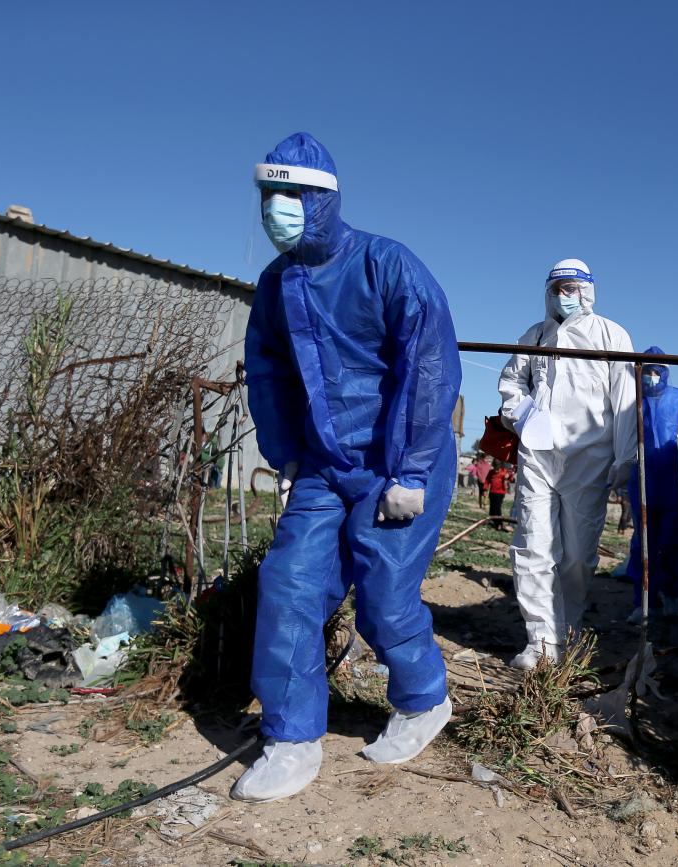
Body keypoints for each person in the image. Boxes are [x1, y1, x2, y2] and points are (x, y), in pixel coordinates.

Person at [235, 132, 461, 802]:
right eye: (267, 196)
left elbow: (428, 367)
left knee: (385, 595)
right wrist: (287, 456)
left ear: (323, 200)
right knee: (289, 582)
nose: (276, 209)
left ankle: (423, 698)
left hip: (397, 460)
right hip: (323, 464)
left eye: (291, 196)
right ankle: (292, 739)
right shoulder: (276, 286)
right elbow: (269, 374)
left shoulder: (387, 266)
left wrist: (413, 470)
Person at [498, 259, 635, 669]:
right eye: (557, 287)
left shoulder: (611, 335)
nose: (564, 295)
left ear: (588, 291)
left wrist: (626, 458)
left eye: (572, 288)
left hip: (589, 458)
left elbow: (626, 401)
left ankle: (567, 630)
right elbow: (511, 382)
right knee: (533, 544)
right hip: (538, 455)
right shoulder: (535, 336)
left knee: (577, 553)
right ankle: (540, 640)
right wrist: (521, 415)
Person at [624, 348, 678, 623]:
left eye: (657, 370)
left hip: (677, 483)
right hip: (643, 480)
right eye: (646, 370)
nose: (652, 376)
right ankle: (643, 601)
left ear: (666, 371)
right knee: (644, 541)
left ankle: (673, 594)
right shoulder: (631, 403)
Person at [484, 461, 514, 529]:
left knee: (497, 508)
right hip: (492, 492)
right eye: (494, 467)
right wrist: (485, 489)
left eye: (497, 467)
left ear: (500, 466)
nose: (495, 469)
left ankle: (499, 523)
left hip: (500, 493)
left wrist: (509, 476)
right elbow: (487, 480)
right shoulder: (491, 472)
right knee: (492, 507)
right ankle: (492, 521)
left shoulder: (504, 472)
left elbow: (511, 479)